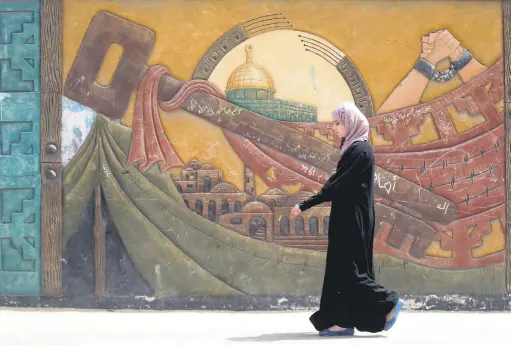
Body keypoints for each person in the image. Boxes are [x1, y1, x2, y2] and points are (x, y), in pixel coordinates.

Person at [291, 101, 404, 336]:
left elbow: (336, 186)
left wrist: (304, 205)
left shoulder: (359, 151)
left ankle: (388, 302)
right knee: (340, 270)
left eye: (337, 123)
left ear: (350, 123)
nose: (334, 128)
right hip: (349, 218)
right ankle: (342, 321)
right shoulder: (354, 149)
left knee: (349, 271)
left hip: (352, 221)